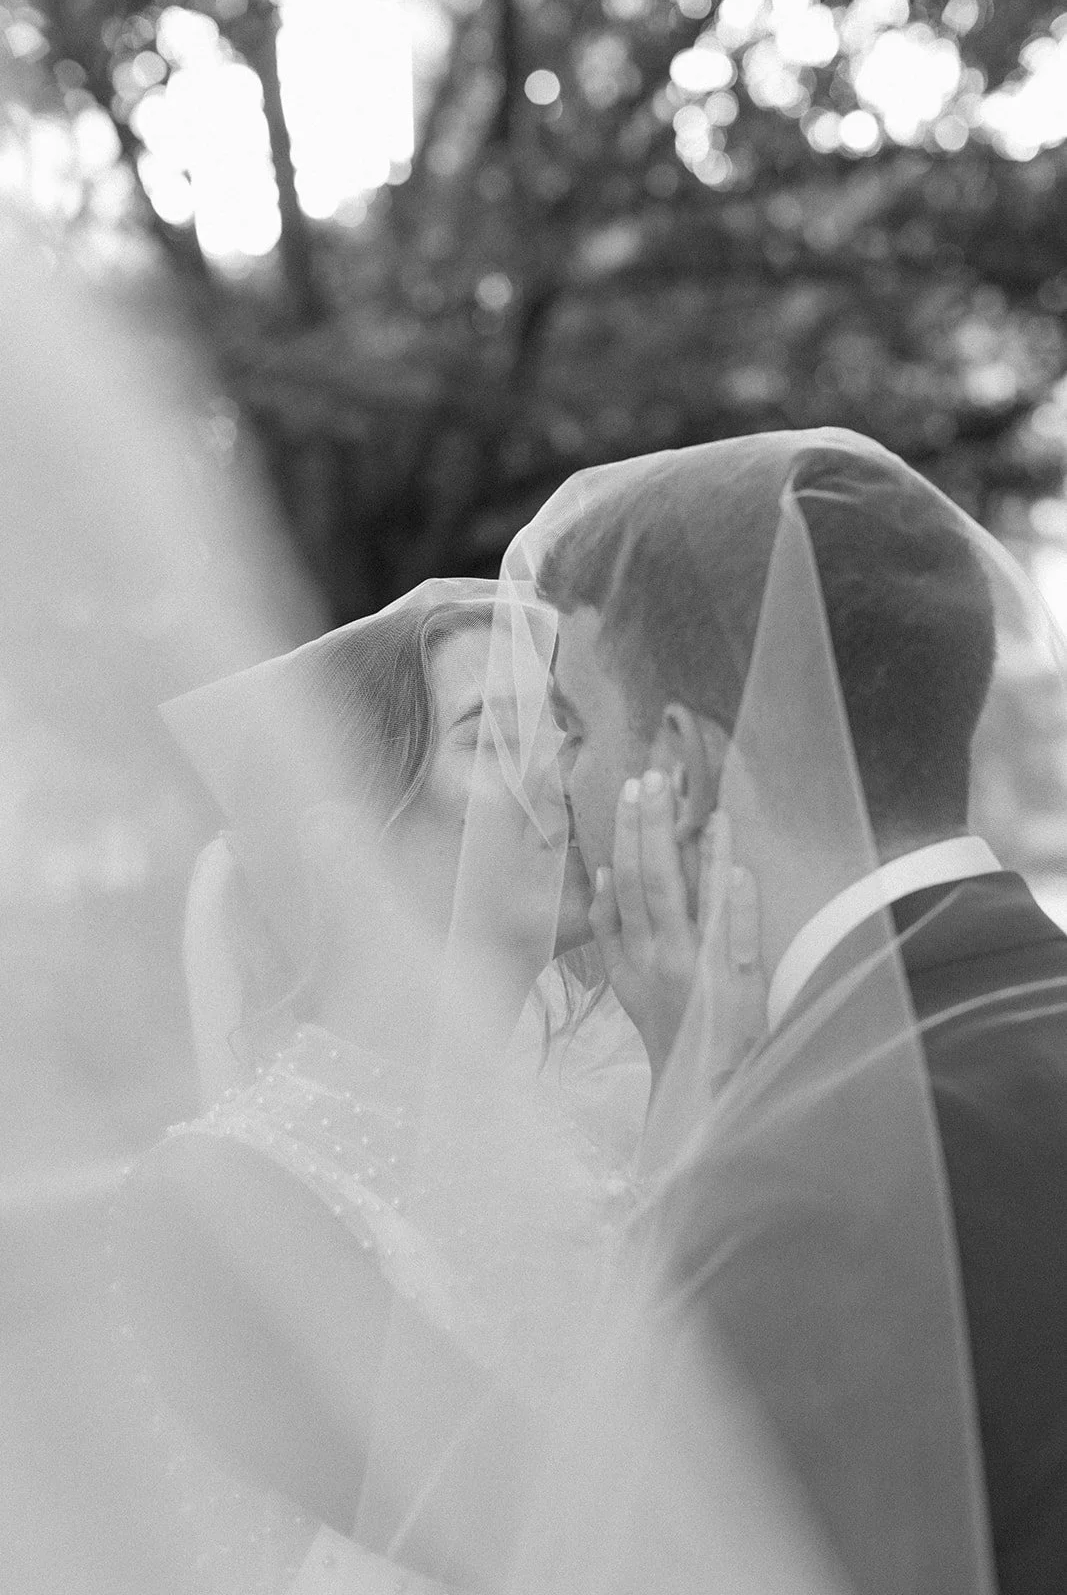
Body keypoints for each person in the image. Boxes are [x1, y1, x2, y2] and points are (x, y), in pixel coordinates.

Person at [519, 428, 1067, 1595]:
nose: (546, 780)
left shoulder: (798, 1184)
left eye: (571, 726)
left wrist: (700, 1134)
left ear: (680, 768)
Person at [115, 579, 645, 1592]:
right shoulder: (217, 1196)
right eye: (493, 734)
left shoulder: (602, 1139)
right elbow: (550, 1529)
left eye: (563, 730)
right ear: (348, 843)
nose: (560, 775)